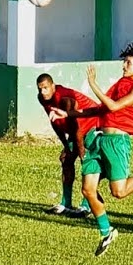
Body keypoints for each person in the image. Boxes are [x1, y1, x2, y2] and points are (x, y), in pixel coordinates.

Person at [81, 41, 133, 257]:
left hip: (117, 143)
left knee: (118, 192)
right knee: (88, 190)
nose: (124, 66)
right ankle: (106, 232)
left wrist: (93, 84)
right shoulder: (121, 83)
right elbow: (101, 108)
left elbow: (114, 106)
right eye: (124, 62)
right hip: (98, 141)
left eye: (128, 62)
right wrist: (69, 114)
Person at [36, 73, 101, 217]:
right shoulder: (42, 99)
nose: (43, 92)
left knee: (88, 162)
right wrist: (66, 144)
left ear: (53, 86)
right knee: (66, 158)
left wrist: (81, 151)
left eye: (46, 88)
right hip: (77, 130)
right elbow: (54, 122)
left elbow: (76, 126)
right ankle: (66, 203)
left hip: (92, 125)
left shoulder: (65, 99)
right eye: (40, 89)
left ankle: (87, 205)